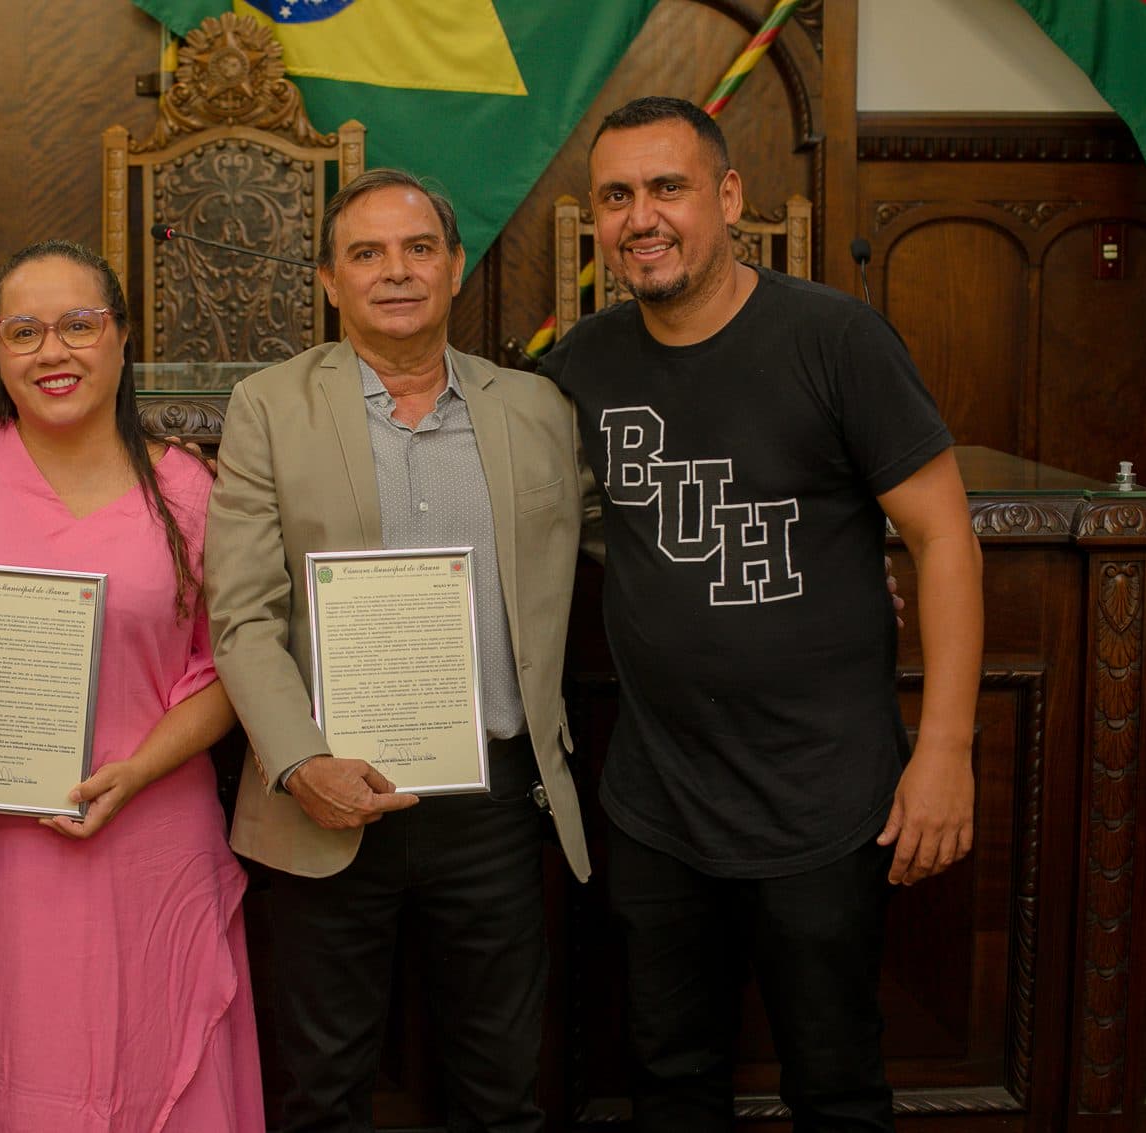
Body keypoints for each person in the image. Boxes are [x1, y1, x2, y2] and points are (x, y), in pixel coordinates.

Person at [541, 95, 984, 1131]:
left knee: (834, 1084)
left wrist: (945, 749)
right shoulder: (579, 367)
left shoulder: (834, 338)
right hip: (657, 800)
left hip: (823, 797)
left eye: (667, 187)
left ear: (728, 196)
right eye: (616, 196)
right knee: (668, 1081)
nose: (641, 217)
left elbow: (943, 539)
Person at [205, 168, 596, 1133]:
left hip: (493, 805)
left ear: (455, 267)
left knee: (502, 1094)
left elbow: (621, 545)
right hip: (324, 802)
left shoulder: (538, 409)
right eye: (367, 253)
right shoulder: (268, 406)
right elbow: (242, 613)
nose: (396, 271)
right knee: (322, 1095)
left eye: (419, 248)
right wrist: (302, 762)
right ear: (330, 281)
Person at [0, 239, 262, 1132]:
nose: (51, 351)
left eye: (78, 324)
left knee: (155, 1066)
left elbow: (232, 670)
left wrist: (134, 771)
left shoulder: (188, 487)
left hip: (151, 835)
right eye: (24, 331)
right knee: (1, 1069)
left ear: (122, 335)